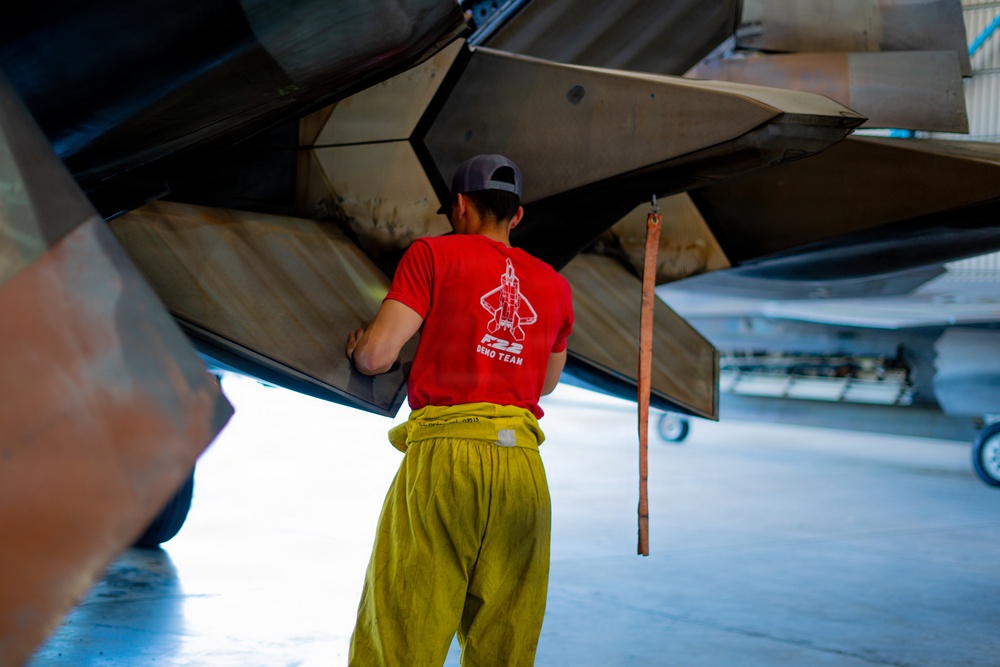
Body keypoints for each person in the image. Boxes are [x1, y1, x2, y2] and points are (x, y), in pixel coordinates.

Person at [345, 154, 574, 666]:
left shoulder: (433, 255)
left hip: (447, 459)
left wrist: (361, 345)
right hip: (523, 471)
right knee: (505, 641)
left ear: (461, 206)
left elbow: (378, 356)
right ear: (517, 216)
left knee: (407, 624)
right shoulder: (556, 286)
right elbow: (545, 383)